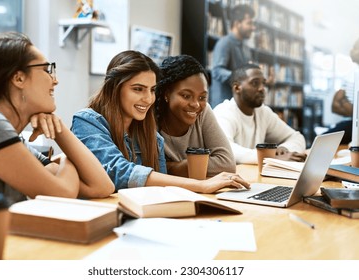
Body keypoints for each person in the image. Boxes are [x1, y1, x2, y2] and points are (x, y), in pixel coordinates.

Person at [71, 50, 250, 193]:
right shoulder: (87, 122)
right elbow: (119, 172)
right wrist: (202, 186)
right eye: (138, 89)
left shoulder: (149, 134)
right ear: (114, 88)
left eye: (152, 90)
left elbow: (161, 189)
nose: (148, 99)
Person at [0, 32, 114, 205]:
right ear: (19, 78)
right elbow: (62, 194)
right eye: (47, 70)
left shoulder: (17, 142)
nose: (55, 80)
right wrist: (68, 157)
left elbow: (101, 186)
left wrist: (59, 129)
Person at [155, 54, 236, 178]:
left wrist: (173, 167)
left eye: (202, 97)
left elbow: (227, 164)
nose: (196, 104)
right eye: (186, 96)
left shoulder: (203, 112)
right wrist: (196, 166)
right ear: (166, 94)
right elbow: (149, 169)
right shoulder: (151, 117)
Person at [213, 63, 307, 164]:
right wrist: (271, 158)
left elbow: (297, 137)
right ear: (237, 88)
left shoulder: (263, 112)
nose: (262, 89)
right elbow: (226, 150)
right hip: (230, 177)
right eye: (255, 83)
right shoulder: (224, 112)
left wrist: (284, 148)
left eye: (264, 83)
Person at [210, 4, 255, 107]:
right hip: (224, 108)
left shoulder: (246, 48)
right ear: (237, 23)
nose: (253, 28)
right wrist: (242, 77)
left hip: (241, 106)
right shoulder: (224, 43)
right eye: (249, 23)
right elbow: (217, 71)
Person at [324, 37, 359, 144]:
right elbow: (335, 107)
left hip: (355, 124)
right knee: (323, 140)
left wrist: (350, 108)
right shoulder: (351, 76)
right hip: (353, 124)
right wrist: (352, 110)